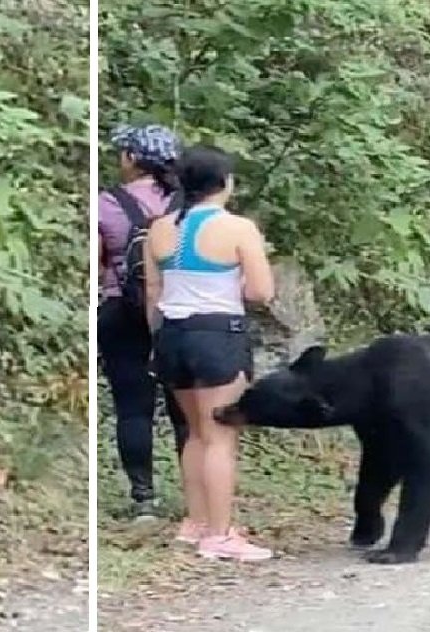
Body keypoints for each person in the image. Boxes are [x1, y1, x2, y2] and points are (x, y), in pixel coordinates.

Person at [144, 145, 276, 561]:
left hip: (172, 335)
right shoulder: (238, 229)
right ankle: (220, 535)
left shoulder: (159, 229)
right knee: (220, 436)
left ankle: (196, 523)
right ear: (225, 183)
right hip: (217, 335)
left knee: (196, 433)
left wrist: (161, 333)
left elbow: (153, 292)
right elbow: (261, 291)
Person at [97, 124, 190, 522]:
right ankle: (197, 498)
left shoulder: (107, 203)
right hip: (179, 312)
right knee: (184, 408)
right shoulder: (189, 205)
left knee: (133, 408)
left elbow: (97, 261)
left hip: (122, 311)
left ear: (134, 159)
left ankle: (143, 499)